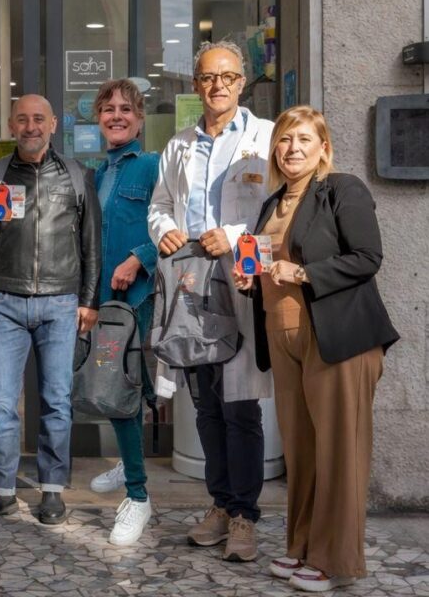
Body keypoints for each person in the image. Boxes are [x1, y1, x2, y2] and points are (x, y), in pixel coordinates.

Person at [233, 106, 398, 593]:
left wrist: (304, 273)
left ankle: (334, 560)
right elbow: (271, 266)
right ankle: (302, 546)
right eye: (284, 140)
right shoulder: (272, 203)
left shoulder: (342, 189)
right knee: (302, 452)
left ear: (323, 147)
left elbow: (367, 257)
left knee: (339, 452)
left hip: (337, 336)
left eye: (304, 139)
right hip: (283, 338)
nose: (292, 149)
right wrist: (251, 281)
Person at [148, 40, 273, 562]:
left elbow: (279, 210)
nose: (217, 85)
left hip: (239, 281)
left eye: (227, 76)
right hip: (191, 285)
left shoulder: (265, 138)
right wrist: (165, 230)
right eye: (207, 77)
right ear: (195, 84)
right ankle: (220, 505)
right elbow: (159, 205)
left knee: (240, 406)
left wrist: (236, 234)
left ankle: (244, 515)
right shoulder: (178, 145)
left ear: (242, 82)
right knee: (205, 405)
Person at [0, 95, 101, 527]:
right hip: (5, 302)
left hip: (61, 303)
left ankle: (52, 491)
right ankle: (1, 492)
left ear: (53, 124)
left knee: (56, 402)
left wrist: (88, 301)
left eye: (38, 119)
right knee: (2, 405)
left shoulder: (76, 175)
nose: (30, 126)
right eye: (22, 119)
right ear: (11, 125)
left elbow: (92, 244)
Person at [87, 79, 160, 546]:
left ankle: (138, 495)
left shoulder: (152, 166)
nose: (117, 116)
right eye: (109, 109)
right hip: (101, 299)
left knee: (120, 386)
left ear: (140, 119)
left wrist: (138, 258)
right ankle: (129, 457)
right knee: (125, 383)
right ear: (98, 119)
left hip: (135, 297)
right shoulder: (97, 173)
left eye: (126, 109)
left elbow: (172, 224)